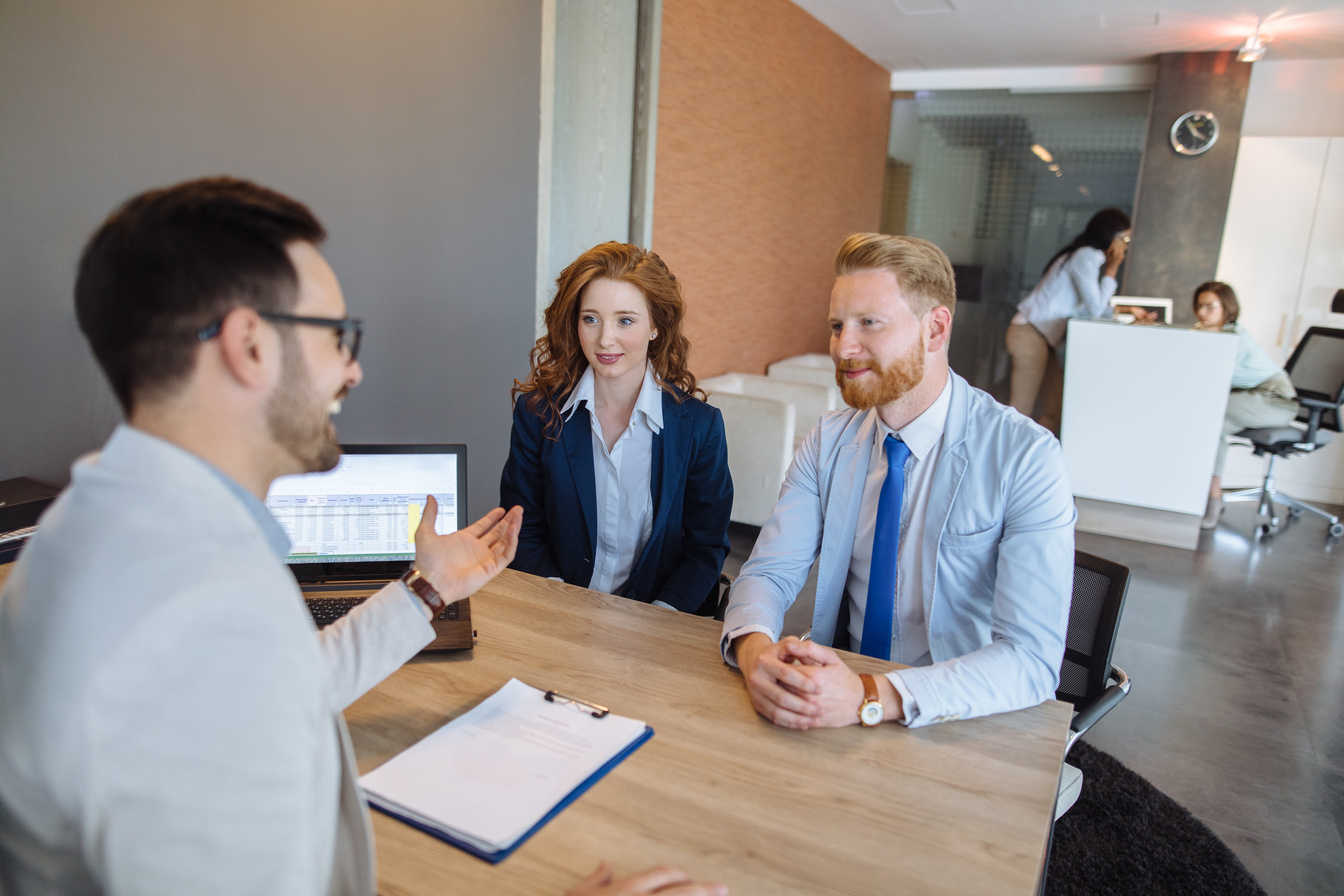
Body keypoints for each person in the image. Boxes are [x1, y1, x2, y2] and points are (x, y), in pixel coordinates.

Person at [0, 178, 724, 896]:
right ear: (249, 346)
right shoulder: (186, 603)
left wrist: (424, 592)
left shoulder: (111, 526)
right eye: (338, 336)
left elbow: (276, 690)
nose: (354, 368)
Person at [721, 232, 1074, 731]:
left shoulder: (1025, 457)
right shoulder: (828, 440)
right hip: (839, 697)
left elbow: (1031, 659)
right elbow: (769, 574)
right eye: (838, 325)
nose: (844, 347)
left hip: (956, 714)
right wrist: (756, 653)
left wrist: (869, 694)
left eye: (869, 323)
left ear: (935, 329)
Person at [500, 242, 732, 614]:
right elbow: (523, 527)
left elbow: (706, 549)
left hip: (660, 624)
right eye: (590, 319)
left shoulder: (699, 428)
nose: (605, 339)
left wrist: (660, 617)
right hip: (557, 614)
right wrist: (562, 607)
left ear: (656, 326)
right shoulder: (538, 414)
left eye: (625, 320)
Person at [1005, 208, 1144, 435]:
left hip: (1040, 337)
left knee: (1054, 410)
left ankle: (1031, 461)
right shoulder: (1086, 256)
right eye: (1124, 238)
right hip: (1029, 333)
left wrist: (1128, 309)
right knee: (1020, 410)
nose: (1126, 246)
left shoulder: (1084, 256)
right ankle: (1001, 464)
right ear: (1110, 235)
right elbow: (1096, 309)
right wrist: (1113, 267)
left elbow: (1092, 305)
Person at [1191, 280, 1297, 530]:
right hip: (1250, 398)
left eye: (1209, 307)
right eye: (1198, 307)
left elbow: (1209, 377)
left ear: (1226, 308)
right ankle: (1211, 498)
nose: (1201, 313)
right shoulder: (1213, 334)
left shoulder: (1232, 337)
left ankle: (1211, 501)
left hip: (1274, 401)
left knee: (1208, 417)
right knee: (1211, 430)